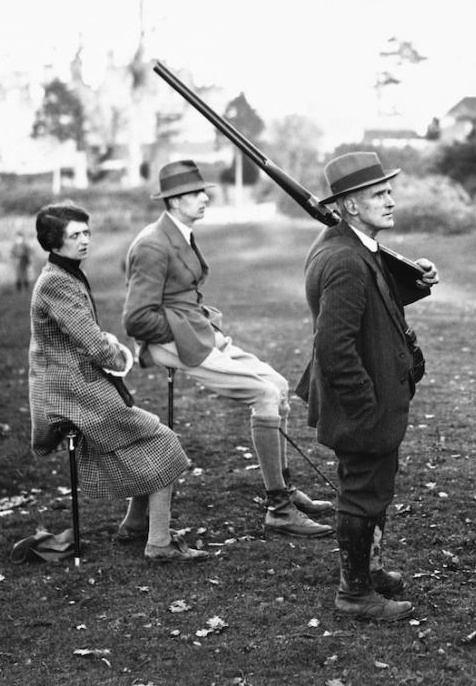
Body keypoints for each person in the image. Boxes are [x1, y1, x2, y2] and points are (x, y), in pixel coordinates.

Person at [123, 160, 333, 538]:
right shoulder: (154, 245)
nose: (204, 198)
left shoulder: (180, 232)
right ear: (172, 201)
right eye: (194, 193)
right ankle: (278, 508)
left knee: (278, 384)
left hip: (197, 332)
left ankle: (283, 487)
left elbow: (183, 294)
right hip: (176, 341)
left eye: (203, 191)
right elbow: (137, 319)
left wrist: (199, 326)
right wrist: (183, 334)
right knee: (264, 394)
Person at [298, 151, 439, 621]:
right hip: (363, 403)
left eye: (388, 190)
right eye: (379, 194)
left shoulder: (355, 248)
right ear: (351, 206)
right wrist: (366, 407)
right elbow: (334, 348)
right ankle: (355, 593)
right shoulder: (344, 260)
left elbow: (377, 296)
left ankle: (368, 571)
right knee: (361, 491)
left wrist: (415, 280)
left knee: (371, 488)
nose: (390, 199)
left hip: (372, 399)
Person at [29, 201, 208, 563]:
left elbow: (82, 334)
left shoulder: (64, 274)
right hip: (72, 393)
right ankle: (158, 542)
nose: (84, 241)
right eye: (74, 235)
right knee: (164, 443)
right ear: (52, 242)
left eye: (86, 232)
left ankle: (134, 524)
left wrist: (105, 346)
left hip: (79, 384)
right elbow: (92, 342)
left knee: (149, 442)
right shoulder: (56, 284)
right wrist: (119, 354)